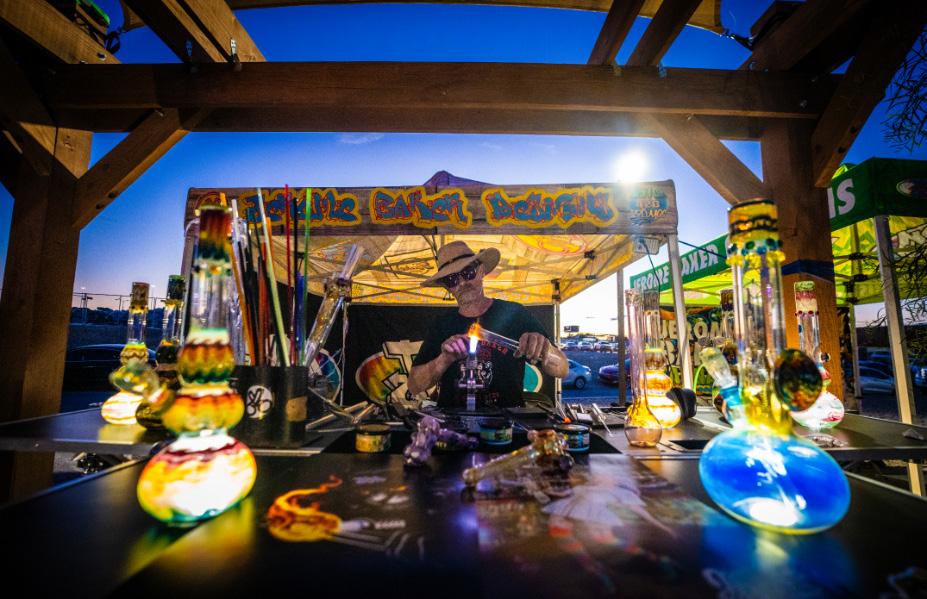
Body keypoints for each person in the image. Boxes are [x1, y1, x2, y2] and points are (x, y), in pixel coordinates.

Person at [408, 241, 568, 408]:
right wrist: (444, 359)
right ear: (448, 287)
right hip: (453, 422)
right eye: (452, 279)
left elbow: (562, 368)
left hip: (506, 421)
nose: (461, 283)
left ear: (481, 270)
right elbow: (414, 386)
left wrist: (546, 349)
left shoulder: (514, 314)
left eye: (468, 272)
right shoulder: (442, 324)